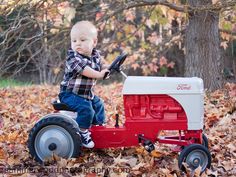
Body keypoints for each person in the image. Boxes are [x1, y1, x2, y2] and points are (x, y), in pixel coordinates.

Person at [59, 21, 109, 148]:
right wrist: (99, 74)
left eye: (82, 40)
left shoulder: (95, 55)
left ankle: (98, 127)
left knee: (99, 104)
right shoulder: (73, 58)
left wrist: (107, 68)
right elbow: (85, 70)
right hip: (70, 94)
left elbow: (103, 63)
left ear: (94, 42)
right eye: (74, 41)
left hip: (85, 94)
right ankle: (81, 132)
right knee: (86, 110)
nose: (78, 44)